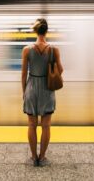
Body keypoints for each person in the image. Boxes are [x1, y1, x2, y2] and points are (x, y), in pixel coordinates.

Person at [21, 18, 63, 167]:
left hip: (31, 87)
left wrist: (24, 91)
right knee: (46, 125)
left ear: (35, 31)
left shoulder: (27, 49)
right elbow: (61, 70)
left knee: (32, 124)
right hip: (47, 89)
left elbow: (23, 73)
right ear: (47, 31)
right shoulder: (54, 49)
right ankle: (43, 157)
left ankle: (33, 158)